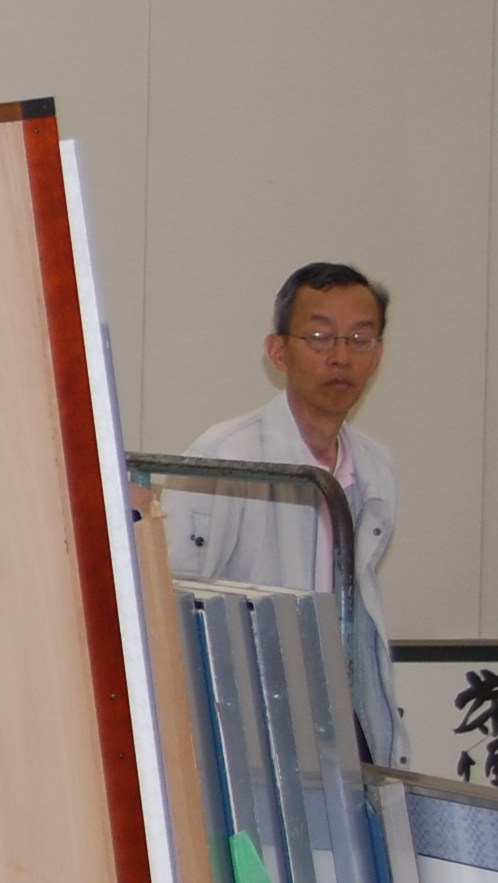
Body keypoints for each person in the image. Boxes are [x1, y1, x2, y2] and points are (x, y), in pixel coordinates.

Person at [167, 261, 404, 764]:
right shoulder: (225, 459)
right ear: (278, 351)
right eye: (319, 337)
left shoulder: (375, 467)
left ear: (378, 355)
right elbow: (170, 608)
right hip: (243, 725)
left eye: (360, 338)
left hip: (340, 717)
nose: (341, 356)